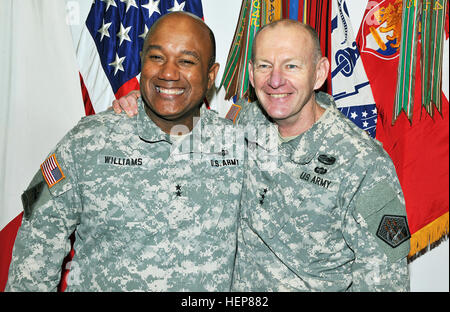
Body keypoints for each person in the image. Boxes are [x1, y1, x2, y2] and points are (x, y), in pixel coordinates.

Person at [113, 19, 411, 292]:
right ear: (252, 75)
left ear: (319, 73)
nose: (276, 80)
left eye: (292, 66)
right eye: (265, 66)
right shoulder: (241, 122)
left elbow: (386, 280)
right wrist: (147, 102)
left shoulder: (364, 163)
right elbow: (184, 128)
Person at [6, 12, 244, 292]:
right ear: (142, 61)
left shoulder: (240, 149)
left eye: (187, 61)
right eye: (156, 57)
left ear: (211, 75)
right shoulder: (88, 141)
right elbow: (37, 242)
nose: (168, 72)